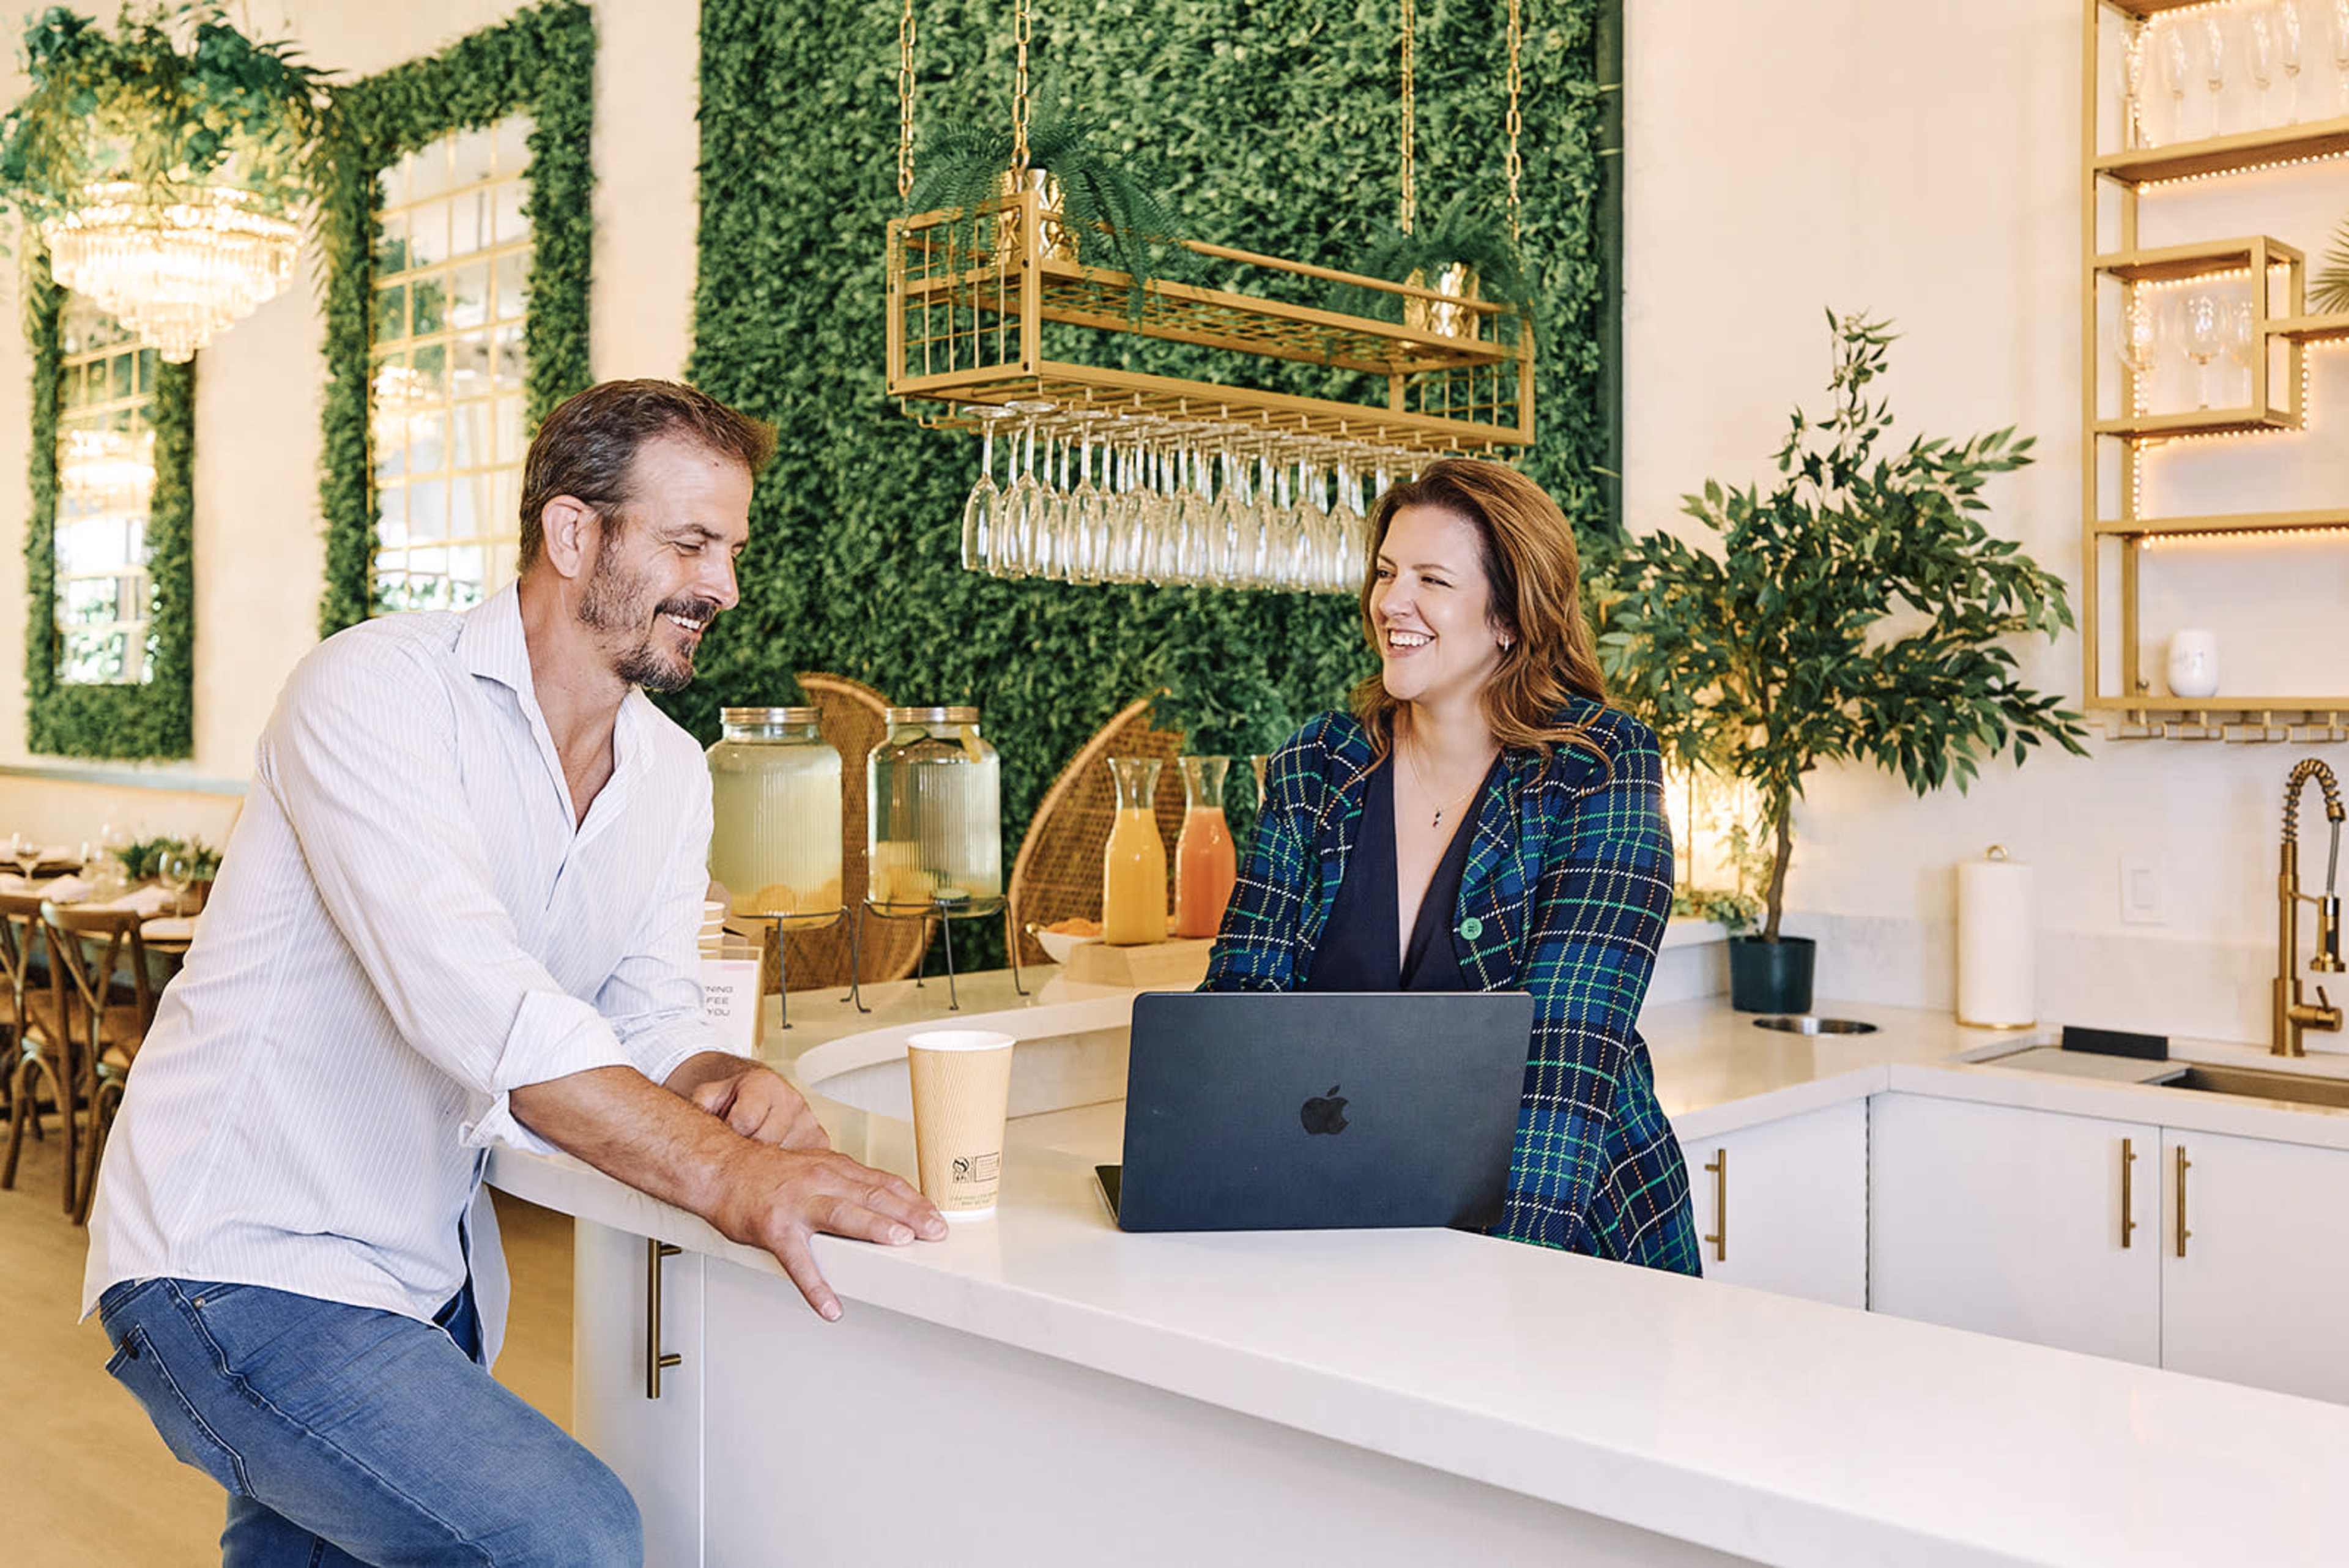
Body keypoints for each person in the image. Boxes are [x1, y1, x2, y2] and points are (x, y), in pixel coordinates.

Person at [83, 379, 947, 1567]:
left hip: (426, 1286)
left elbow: (641, 1020)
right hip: (238, 1261)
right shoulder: (376, 690)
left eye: (732, 549)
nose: (724, 588)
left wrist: (713, 1075)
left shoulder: (669, 774)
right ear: (572, 532)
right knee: (566, 1534)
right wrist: (730, 1171)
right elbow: (479, 1005)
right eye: (690, 542)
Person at [1202, 457, 1698, 1272]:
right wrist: (1233, 1203)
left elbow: (1568, 1042)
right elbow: (1239, 1010)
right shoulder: (1316, 767)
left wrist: (1506, 1272)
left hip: (1570, 1241)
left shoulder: (1598, 766)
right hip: (1354, 1229)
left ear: (1508, 616)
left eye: (1432, 580)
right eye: (1388, 572)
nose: (1391, 602)